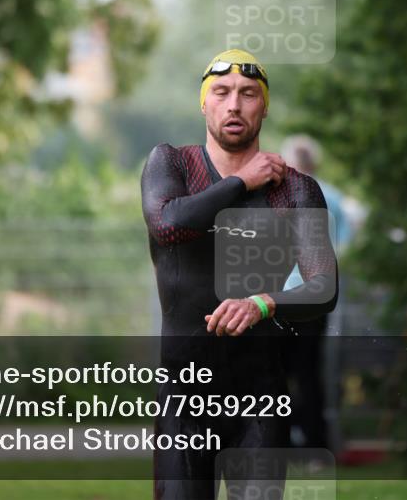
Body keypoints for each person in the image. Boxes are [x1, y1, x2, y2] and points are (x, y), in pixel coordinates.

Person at [140, 49, 338, 499]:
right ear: (204, 104)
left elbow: (324, 287)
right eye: (221, 92)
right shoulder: (172, 164)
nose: (234, 105)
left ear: (264, 107)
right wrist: (242, 182)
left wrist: (263, 303)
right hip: (184, 400)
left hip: (260, 400)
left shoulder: (295, 189)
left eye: (248, 94)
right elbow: (169, 225)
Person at [279, 134, 353, 452]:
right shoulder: (333, 197)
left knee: (278, 371)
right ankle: (315, 441)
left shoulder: (280, 195)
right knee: (309, 371)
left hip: (281, 296)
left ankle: (280, 439)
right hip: (316, 296)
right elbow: (346, 248)